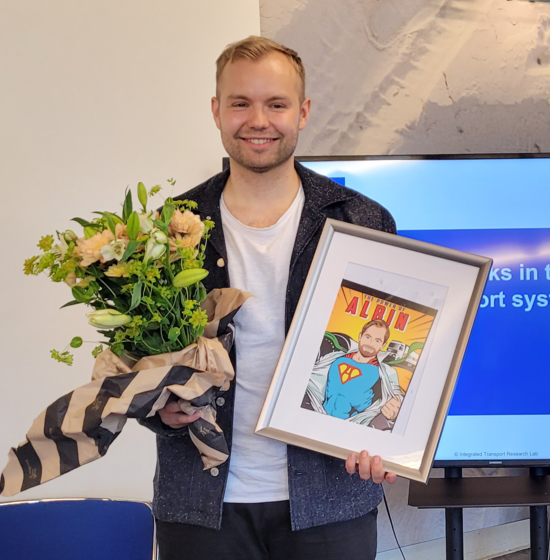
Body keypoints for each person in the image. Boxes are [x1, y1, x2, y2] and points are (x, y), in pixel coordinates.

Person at [138, 36, 398, 560]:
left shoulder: (360, 220)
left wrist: (389, 435)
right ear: (216, 111)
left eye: (276, 104)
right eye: (241, 103)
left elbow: (397, 349)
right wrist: (158, 407)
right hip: (201, 503)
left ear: (302, 112)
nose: (259, 119)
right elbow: (142, 356)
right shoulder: (170, 227)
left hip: (331, 502)